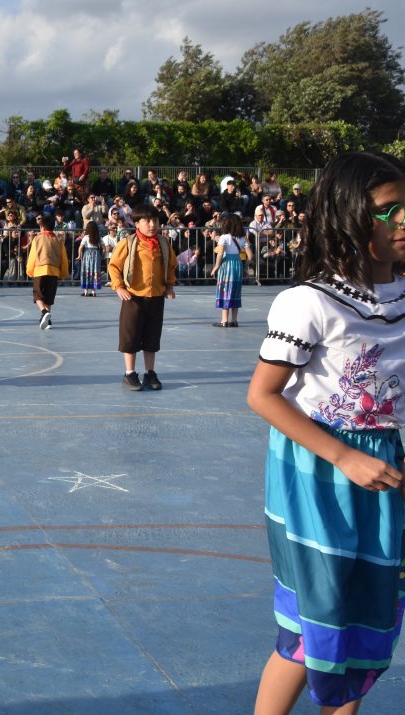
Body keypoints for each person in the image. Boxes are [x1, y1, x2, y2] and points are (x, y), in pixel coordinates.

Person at [249, 151, 405, 714]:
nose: (404, 220)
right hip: (316, 473)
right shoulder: (309, 302)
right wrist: (345, 457)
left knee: (365, 625)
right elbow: (262, 395)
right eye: (390, 210)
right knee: (312, 625)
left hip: (386, 472)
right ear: (348, 218)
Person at [107, 204, 177, 391]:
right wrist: (119, 287)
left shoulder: (163, 243)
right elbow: (114, 266)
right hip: (133, 297)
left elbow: (170, 265)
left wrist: (169, 285)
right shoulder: (129, 242)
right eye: (147, 221)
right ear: (137, 223)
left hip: (156, 296)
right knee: (130, 336)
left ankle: (150, 373)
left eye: (155, 220)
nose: (152, 224)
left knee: (152, 338)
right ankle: (130, 373)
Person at [26, 214, 70, 329]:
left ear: (42, 227)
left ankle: (44, 313)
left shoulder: (37, 239)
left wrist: (29, 270)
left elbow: (33, 256)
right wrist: (64, 272)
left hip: (40, 269)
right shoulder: (58, 240)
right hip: (54, 271)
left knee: (38, 295)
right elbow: (63, 258)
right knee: (49, 297)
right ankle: (48, 321)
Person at [209, 213, 248, 327]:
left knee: (225, 290)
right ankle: (234, 320)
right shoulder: (242, 238)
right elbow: (250, 256)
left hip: (227, 264)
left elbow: (220, 253)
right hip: (237, 264)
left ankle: (224, 320)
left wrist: (216, 266)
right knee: (235, 291)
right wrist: (245, 267)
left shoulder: (224, 237)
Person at [77, 221, 103, 297]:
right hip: (96, 254)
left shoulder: (86, 237)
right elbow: (104, 248)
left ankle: (85, 292)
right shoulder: (98, 237)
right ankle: (93, 291)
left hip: (87, 254)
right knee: (95, 271)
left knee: (86, 271)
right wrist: (101, 256)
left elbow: (81, 247)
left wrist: (79, 256)